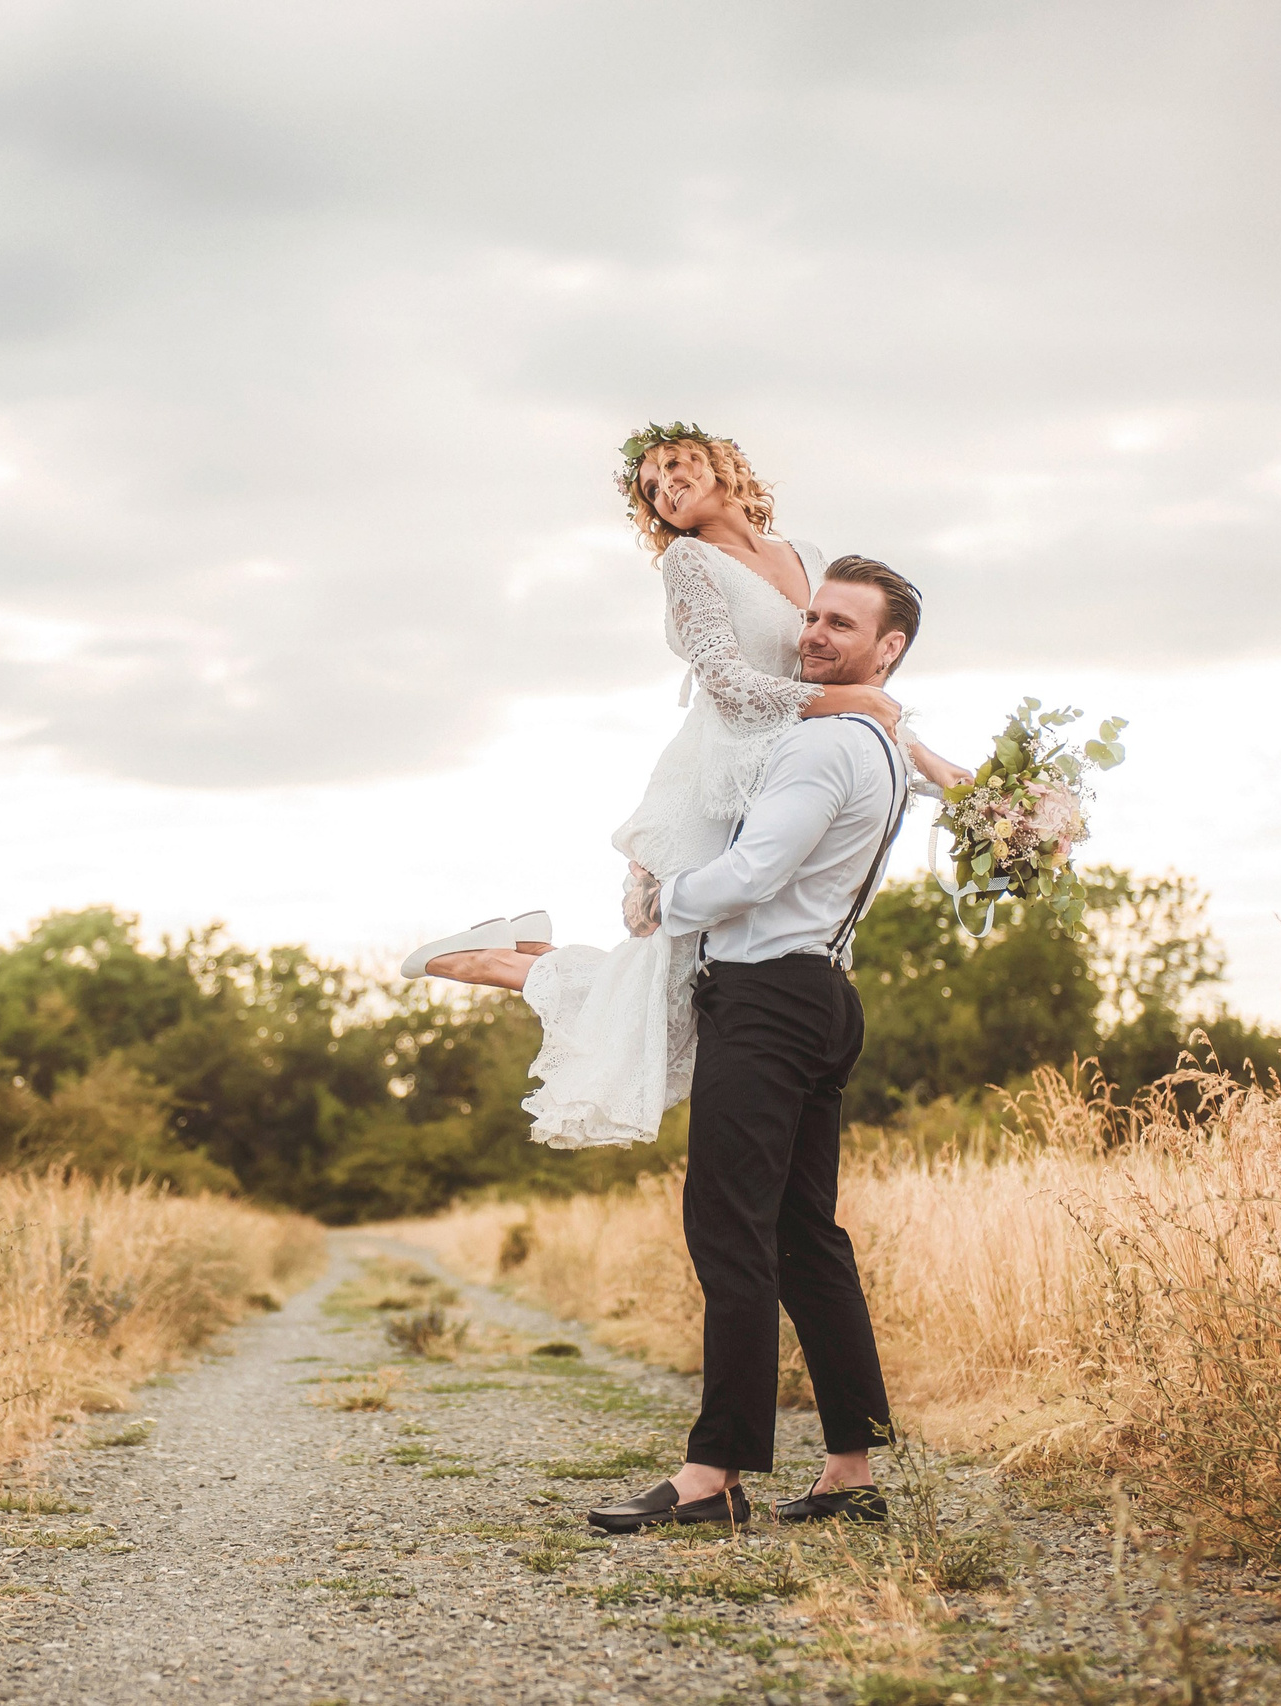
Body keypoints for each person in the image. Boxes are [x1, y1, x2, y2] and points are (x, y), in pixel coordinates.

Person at [401, 425, 966, 1150]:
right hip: (714, 783)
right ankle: (477, 960)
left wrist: (932, 763)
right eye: (652, 489)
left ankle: (512, 947)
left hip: (787, 776)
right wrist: (854, 708)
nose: (665, 486)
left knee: (669, 986)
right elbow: (729, 686)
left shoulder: (811, 557)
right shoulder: (690, 563)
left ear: (720, 464)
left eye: (674, 465)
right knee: (664, 989)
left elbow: (850, 683)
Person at [581, 557, 925, 1531]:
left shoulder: (824, 748)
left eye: (841, 625)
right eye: (812, 616)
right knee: (806, 1236)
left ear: (885, 649)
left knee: (729, 1230)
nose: (814, 634)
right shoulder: (882, 746)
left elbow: (756, 869)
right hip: (823, 990)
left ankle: (713, 1473)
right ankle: (850, 1468)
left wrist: (660, 901)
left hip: (769, 993)